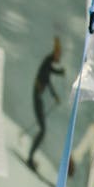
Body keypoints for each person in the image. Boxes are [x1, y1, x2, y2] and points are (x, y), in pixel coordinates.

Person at [26, 37, 65, 172]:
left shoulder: (48, 62)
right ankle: (30, 158)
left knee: (42, 130)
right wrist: (55, 96)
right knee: (42, 130)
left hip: (38, 96)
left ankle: (30, 157)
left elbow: (51, 72)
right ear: (55, 54)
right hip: (37, 96)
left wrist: (59, 72)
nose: (59, 58)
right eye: (58, 55)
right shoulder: (48, 61)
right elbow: (48, 81)